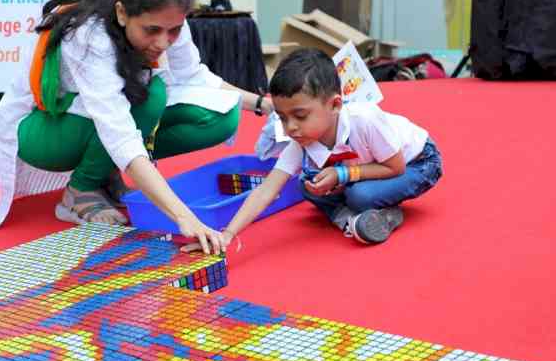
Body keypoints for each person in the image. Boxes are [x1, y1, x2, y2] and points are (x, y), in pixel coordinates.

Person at [0, 0, 274, 255]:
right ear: (122, 13)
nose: (164, 42)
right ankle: (80, 192)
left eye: (173, 31)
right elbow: (119, 133)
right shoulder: (88, 35)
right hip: (41, 132)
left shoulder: (168, 19)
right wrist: (183, 217)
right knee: (149, 96)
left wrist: (264, 105)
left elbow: (195, 78)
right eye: (151, 31)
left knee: (222, 116)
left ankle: (104, 176)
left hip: (104, 123)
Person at [184, 48, 442, 251]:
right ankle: (357, 221)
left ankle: (370, 212)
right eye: (283, 118)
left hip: (417, 163)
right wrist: (227, 234)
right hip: (366, 170)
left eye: (300, 116)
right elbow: (266, 190)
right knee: (307, 184)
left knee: (360, 196)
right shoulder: (302, 139)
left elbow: (394, 166)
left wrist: (341, 175)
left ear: (335, 105)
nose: (290, 128)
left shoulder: (365, 120)